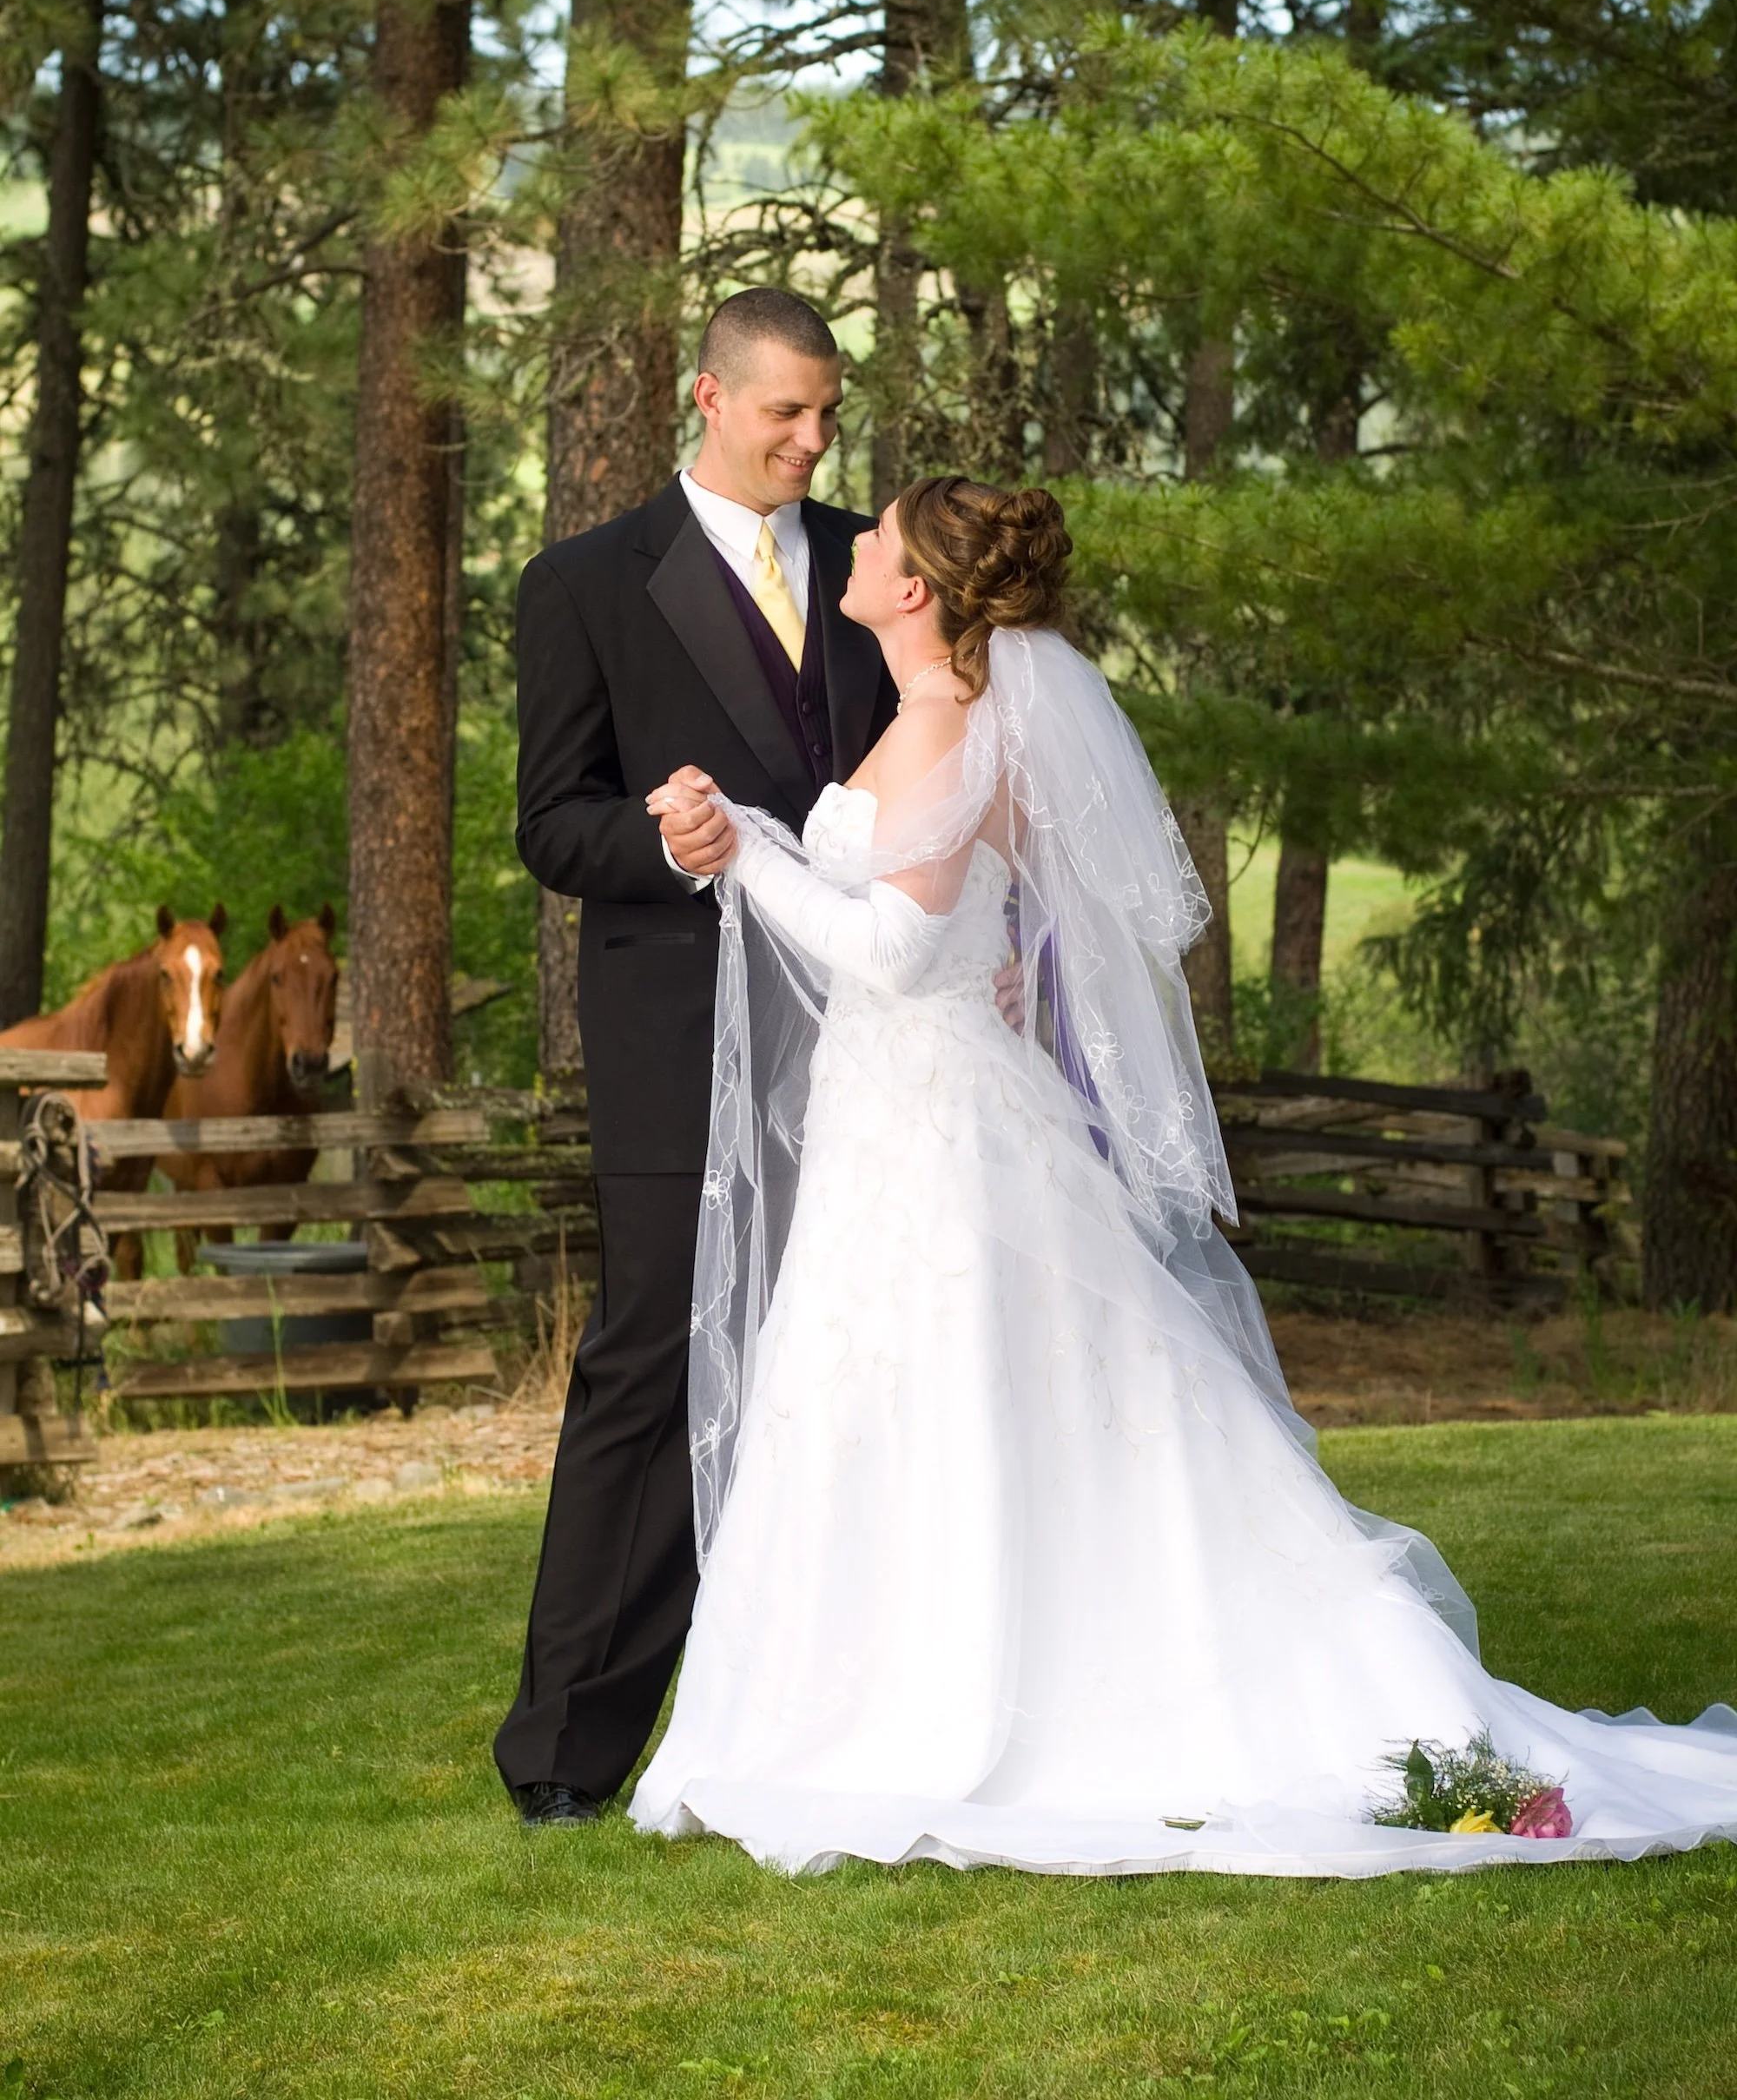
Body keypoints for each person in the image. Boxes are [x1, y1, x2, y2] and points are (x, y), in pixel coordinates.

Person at [631, 474, 1737, 1877]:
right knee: (930, 1394)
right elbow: (930, 920)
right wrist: (743, 825)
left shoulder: (945, 728)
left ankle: (944, 1710)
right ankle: (855, 1704)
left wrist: (743, 861)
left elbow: (900, 953)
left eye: (881, 536)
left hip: (938, 1127)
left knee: (945, 1384)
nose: (853, 542)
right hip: (909, 1115)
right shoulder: (941, 723)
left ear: (915, 592)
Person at [494, 288, 896, 1824]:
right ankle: (566, 1754)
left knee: (855, 1361)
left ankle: (839, 1720)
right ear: (707, 399)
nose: (815, 440)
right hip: (678, 1038)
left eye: (828, 414)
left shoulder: (877, 567)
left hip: (871, 1033)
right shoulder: (585, 584)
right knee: (649, 1365)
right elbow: (550, 821)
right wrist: (661, 841)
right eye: (788, 412)